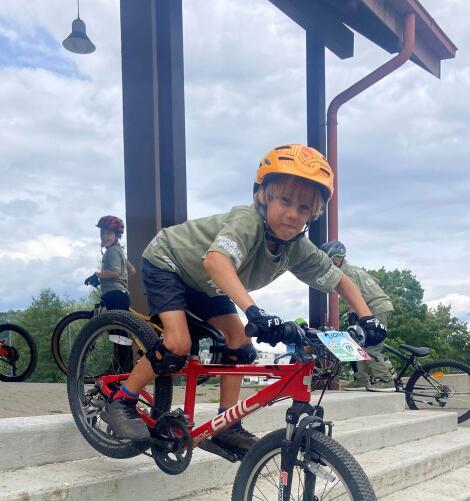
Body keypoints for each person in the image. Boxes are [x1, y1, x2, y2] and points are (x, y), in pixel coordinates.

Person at [103, 144, 387, 450]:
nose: (292, 214)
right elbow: (216, 262)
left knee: (240, 346)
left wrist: (367, 318)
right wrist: (254, 312)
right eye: (285, 200)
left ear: (313, 214)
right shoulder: (247, 220)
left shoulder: (296, 247)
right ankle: (122, 402)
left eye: (304, 208)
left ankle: (227, 425)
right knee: (177, 344)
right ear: (263, 195)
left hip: (209, 284)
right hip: (169, 262)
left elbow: (340, 280)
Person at [322, 240, 395, 391]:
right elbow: (374, 282)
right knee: (358, 345)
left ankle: (385, 380)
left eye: (333, 261)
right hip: (375, 306)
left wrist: (351, 315)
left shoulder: (346, 273)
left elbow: (354, 297)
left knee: (370, 347)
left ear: (338, 258)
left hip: (375, 307)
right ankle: (361, 380)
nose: (332, 264)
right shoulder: (354, 269)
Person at [84, 215, 136, 311]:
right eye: (102, 232)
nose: (105, 236)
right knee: (118, 325)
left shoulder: (112, 251)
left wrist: (97, 275)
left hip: (114, 295)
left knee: (113, 324)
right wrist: (121, 281)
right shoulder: (119, 251)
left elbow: (115, 273)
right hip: (121, 294)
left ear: (116, 236)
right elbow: (132, 270)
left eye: (109, 233)